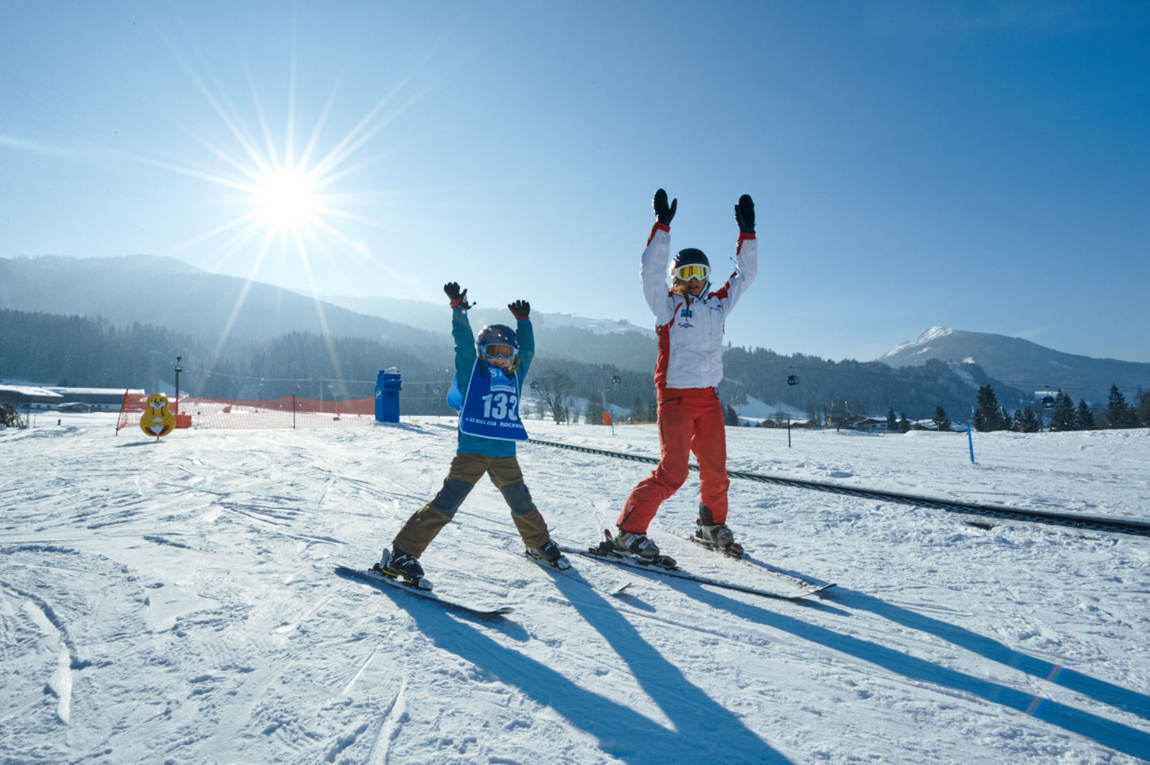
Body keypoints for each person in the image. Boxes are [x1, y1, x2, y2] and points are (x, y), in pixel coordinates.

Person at [379, 282, 569, 588]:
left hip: (505, 453)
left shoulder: (515, 376)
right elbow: (463, 346)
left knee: (521, 501)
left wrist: (524, 323)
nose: (500, 357)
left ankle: (538, 543)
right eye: (493, 351)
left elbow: (529, 351)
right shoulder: (474, 373)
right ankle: (402, 553)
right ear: (483, 352)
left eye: (506, 352)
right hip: (472, 451)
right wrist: (459, 310)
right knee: (447, 503)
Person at [614, 188, 758, 559]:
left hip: (708, 399)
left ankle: (711, 525)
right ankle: (629, 532)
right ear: (676, 276)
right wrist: (662, 227)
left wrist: (747, 232)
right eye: (686, 272)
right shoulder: (667, 307)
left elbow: (746, 275)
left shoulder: (718, 305)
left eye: (700, 272)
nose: (694, 279)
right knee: (673, 473)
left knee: (715, 470)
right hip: (675, 398)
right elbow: (649, 272)